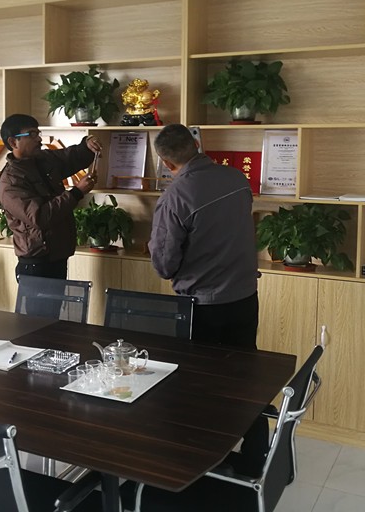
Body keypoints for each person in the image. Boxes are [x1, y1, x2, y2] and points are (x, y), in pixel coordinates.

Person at [148, 123, 266, 475]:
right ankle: (255, 456)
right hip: (244, 296)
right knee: (244, 378)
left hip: (202, 307)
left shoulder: (175, 197)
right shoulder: (236, 179)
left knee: (200, 387)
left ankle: (202, 463)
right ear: (196, 146)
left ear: (166, 163)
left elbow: (164, 264)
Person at [0, 114, 101, 282]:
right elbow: (39, 217)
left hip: (57, 256)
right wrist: (76, 192)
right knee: (42, 301)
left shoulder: (44, 159)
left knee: (56, 300)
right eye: (32, 134)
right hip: (36, 262)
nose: (39, 139)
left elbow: (72, 157)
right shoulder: (11, 181)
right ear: (13, 142)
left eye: (38, 133)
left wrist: (87, 144)